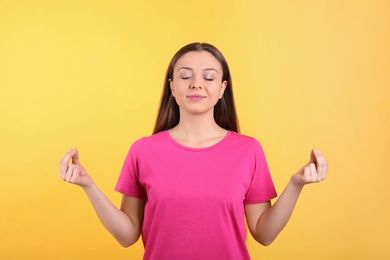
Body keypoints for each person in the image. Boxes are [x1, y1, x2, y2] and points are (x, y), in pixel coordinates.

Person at [59, 42, 328, 260]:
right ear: (172, 87)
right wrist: (88, 185)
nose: (196, 84)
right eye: (185, 76)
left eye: (208, 77)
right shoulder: (143, 151)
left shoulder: (248, 150)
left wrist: (296, 184)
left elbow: (264, 234)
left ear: (222, 88)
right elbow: (127, 235)